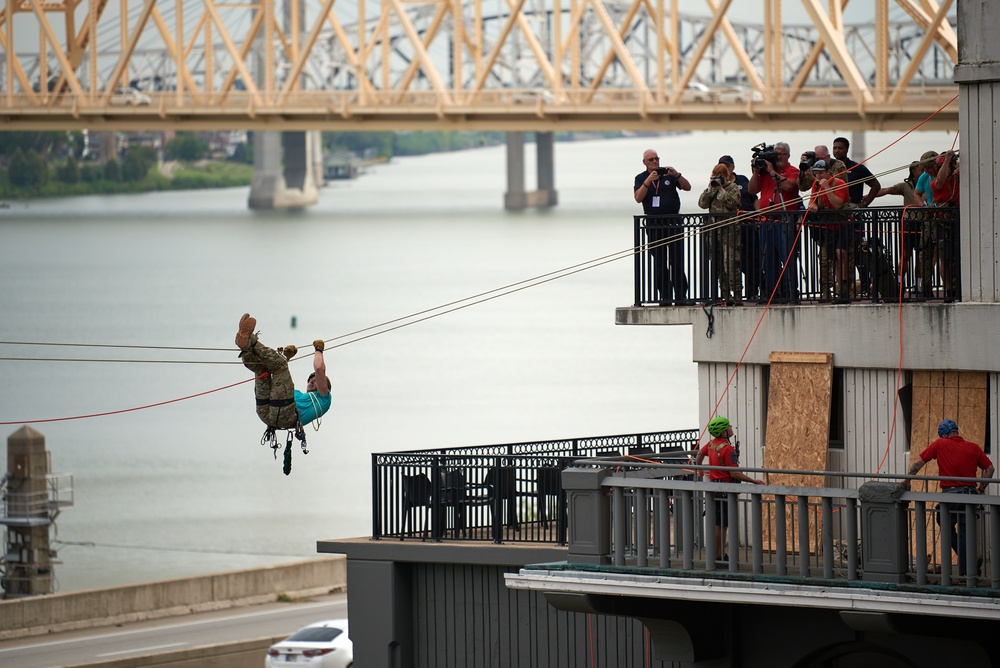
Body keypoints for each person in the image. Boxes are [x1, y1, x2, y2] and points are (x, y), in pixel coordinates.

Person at [905, 419, 994, 576]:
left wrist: (906, 481)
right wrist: (980, 489)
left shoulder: (940, 444)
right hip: (970, 496)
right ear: (956, 432)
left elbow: (919, 463)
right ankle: (967, 571)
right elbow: (990, 468)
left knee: (945, 525)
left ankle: (967, 563)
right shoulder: (973, 447)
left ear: (944, 435)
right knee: (966, 532)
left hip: (950, 496)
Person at [236, 313, 332, 435]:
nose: (312, 381)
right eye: (310, 379)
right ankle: (246, 347)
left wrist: (319, 350)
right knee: (263, 372)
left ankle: (252, 341)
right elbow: (278, 386)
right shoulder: (297, 395)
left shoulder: (324, 399)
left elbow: (319, 369)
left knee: (281, 366)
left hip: (284, 416)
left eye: (316, 381)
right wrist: (285, 357)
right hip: (265, 412)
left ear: (325, 387)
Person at [695, 416, 765, 560]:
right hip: (725, 490)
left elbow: (700, 454)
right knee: (722, 525)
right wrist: (753, 481)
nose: (731, 427)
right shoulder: (727, 449)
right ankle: (718, 555)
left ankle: (718, 554)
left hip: (714, 488)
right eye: (728, 426)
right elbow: (734, 473)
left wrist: (699, 468)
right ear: (723, 432)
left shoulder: (711, 444)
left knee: (717, 524)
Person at [634, 149, 692, 304]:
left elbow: (688, 187)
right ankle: (665, 296)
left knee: (677, 262)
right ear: (644, 163)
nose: (654, 162)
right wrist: (648, 181)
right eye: (651, 160)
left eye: (656, 159)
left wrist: (676, 174)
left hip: (673, 224)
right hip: (654, 226)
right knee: (660, 263)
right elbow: (638, 198)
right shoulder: (641, 178)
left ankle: (681, 296)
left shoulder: (668, 175)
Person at [748, 141, 800, 302]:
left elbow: (791, 186)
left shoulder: (792, 171)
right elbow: (752, 190)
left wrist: (772, 172)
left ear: (788, 156)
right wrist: (757, 171)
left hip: (785, 221)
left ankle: (790, 291)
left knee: (787, 257)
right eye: (775, 154)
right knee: (769, 259)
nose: (777, 157)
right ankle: (773, 292)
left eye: (780, 154)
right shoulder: (763, 173)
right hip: (766, 220)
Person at [875, 161, 926, 291]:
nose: (924, 172)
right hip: (908, 223)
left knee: (921, 256)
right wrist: (866, 198)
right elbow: (887, 190)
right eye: (921, 170)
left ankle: (917, 284)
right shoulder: (905, 186)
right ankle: (899, 283)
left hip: (923, 223)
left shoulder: (927, 184)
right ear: (913, 171)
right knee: (905, 255)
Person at [806, 160, 851, 301]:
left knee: (841, 253)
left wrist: (827, 188)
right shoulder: (815, 185)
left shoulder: (839, 184)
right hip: (829, 226)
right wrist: (813, 207)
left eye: (821, 173)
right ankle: (832, 290)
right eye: (816, 173)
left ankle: (844, 289)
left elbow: (837, 204)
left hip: (843, 224)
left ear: (828, 172)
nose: (818, 176)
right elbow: (812, 202)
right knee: (830, 257)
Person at [698, 164, 742, 303]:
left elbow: (732, 204)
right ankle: (725, 295)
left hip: (729, 231)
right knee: (717, 264)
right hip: (714, 231)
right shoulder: (712, 189)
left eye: (721, 176)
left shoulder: (733, 188)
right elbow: (702, 204)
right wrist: (710, 188)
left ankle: (737, 295)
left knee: (730, 262)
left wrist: (721, 189)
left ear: (726, 176)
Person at [719, 155, 760, 300]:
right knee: (738, 261)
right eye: (722, 165)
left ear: (733, 167)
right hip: (731, 228)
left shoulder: (742, 179)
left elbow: (754, 198)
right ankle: (736, 292)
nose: (725, 168)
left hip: (749, 223)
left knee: (753, 259)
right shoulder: (719, 183)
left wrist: (759, 216)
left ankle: (752, 293)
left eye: (727, 165)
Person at [929, 150, 960, 301]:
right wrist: (947, 161)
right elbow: (941, 180)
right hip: (943, 223)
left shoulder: (959, 178)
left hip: (957, 222)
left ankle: (958, 287)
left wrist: (952, 161)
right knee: (945, 259)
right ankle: (948, 290)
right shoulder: (935, 183)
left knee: (957, 257)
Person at [831, 137, 881, 208]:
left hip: (852, 208)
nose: (837, 151)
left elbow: (876, 185)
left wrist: (865, 204)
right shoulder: (829, 167)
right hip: (833, 209)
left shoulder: (857, 168)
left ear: (847, 150)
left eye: (840, 148)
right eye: (834, 148)